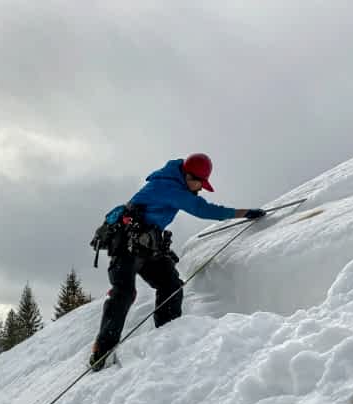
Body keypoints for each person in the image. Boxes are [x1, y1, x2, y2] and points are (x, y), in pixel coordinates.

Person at [88, 153, 266, 370]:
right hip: (127, 248)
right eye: (200, 184)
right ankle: (103, 350)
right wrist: (245, 213)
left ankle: (166, 337)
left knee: (171, 286)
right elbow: (204, 209)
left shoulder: (173, 184)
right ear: (189, 177)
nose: (200, 189)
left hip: (146, 247)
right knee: (124, 292)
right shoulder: (169, 188)